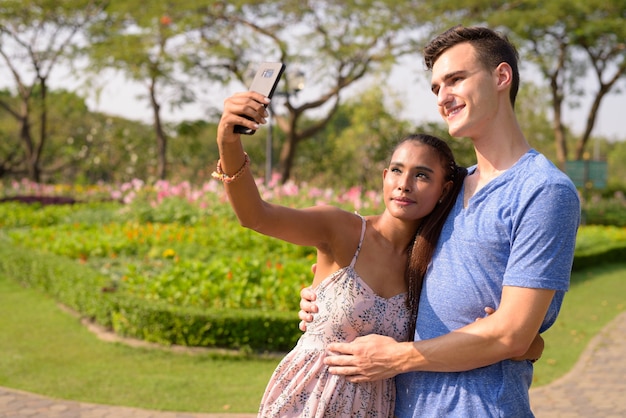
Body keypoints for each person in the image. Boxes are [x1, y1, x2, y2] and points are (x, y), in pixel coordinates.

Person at [299, 25, 581, 417]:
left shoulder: (544, 191)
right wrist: (326, 293)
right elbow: (385, 256)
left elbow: (514, 335)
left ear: (501, 77)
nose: (442, 97)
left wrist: (399, 357)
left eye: (455, 80)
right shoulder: (446, 189)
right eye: (436, 88)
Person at [215, 89, 467, 416]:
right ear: (384, 177)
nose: (404, 184)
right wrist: (228, 141)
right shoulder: (341, 229)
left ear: (444, 189)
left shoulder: (435, 263)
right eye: (396, 170)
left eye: (421, 175)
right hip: (306, 401)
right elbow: (256, 216)